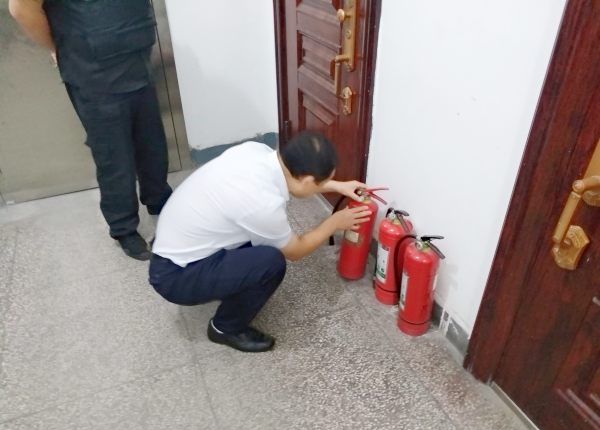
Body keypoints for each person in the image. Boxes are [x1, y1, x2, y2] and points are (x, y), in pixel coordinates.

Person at [150, 133, 372, 352]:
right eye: (322, 182)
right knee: (271, 262)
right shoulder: (263, 204)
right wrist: (334, 223)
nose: (325, 184)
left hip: (173, 243)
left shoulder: (256, 152)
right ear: (306, 180)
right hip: (174, 276)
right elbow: (296, 251)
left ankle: (226, 286)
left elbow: (299, 183)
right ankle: (224, 328)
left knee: (263, 241)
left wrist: (338, 186)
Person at [9, 0, 172, 260]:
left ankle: (158, 198)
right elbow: (21, 9)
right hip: (94, 73)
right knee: (114, 156)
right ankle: (123, 227)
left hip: (137, 59)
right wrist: (61, 47)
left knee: (151, 141)